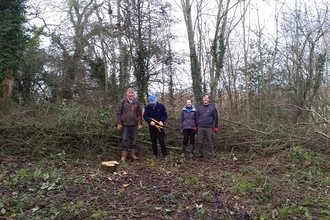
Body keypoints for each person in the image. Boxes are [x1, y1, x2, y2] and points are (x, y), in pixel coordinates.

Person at [115, 88, 142, 162]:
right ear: (127, 94)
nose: (131, 94)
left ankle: (133, 155)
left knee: (134, 140)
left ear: (134, 94)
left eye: (132, 93)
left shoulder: (136, 102)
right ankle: (123, 156)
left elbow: (139, 113)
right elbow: (118, 113)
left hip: (134, 124)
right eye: (129, 93)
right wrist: (119, 123)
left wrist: (140, 123)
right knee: (124, 140)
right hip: (125, 125)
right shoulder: (122, 102)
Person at [196, 94, 219, 159]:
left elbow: (215, 117)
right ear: (202, 99)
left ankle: (210, 155)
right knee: (200, 141)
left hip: (209, 127)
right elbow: (196, 117)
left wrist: (216, 126)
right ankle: (200, 153)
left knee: (210, 141)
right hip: (200, 127)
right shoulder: (199, 108)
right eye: (204, 98)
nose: (205, 99)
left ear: (208, 99)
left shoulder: (212, 107)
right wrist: (196, 126)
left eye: (206, 98)